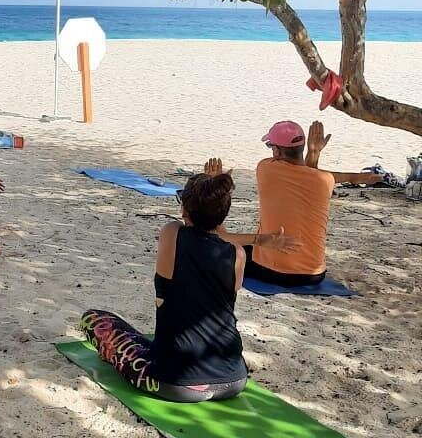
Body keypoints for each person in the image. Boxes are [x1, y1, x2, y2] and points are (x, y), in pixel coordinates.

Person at [82, 170, 299, 403]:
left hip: (175, 383)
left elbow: (205, 235)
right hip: (234, 379)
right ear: (222, 216)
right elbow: (219, 238)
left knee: (93, 319)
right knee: (150, 342)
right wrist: (259, 238)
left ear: (184, 210)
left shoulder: (172, 233)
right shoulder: (237, 255)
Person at [246, 120, 381, 286]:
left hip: (273, 272)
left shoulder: (265, 168)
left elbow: (304, 175)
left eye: (271, 146)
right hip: (314, 274)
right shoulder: (324, 181)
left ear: (277, 151)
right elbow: (310, 176)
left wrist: (315, 154)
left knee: (232, 250)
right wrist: (351, 175)